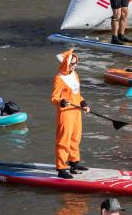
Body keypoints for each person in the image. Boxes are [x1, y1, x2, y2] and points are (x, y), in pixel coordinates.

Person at [51, 48, 91, 179]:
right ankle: (61, 168)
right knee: (64, 140)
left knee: (75, 138)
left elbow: (77, 95)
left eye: (76, 63)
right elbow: (54, 97)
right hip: (65, 113)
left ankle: (74, 163)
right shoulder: (59, 78)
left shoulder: (75, 74)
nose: (75, 65)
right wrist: (61, 101)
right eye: (73, 63)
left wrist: (83, 103)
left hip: (76, 112)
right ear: (66, 64)